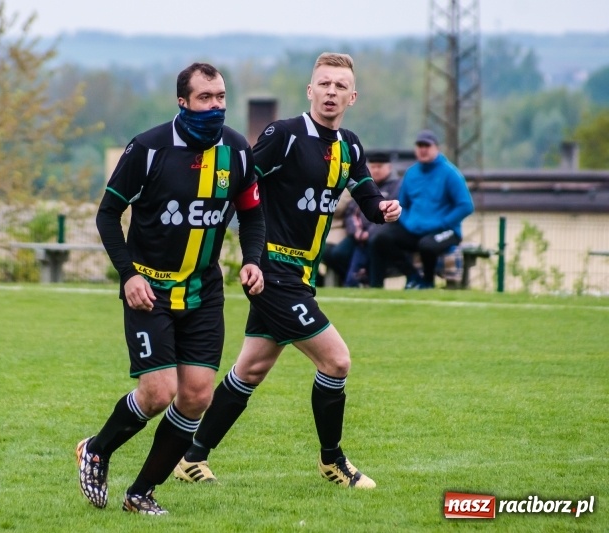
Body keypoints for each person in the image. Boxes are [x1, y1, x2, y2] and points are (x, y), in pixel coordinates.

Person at [174, 53, 401, 489]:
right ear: (310, 90)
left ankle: (191, 456)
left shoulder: (349, 145)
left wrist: (384, 209)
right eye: (324, 84)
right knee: (337, 361)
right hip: (272, 271)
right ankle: (333, 461)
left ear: (352, 97)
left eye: (340, 86)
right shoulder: (285, 135)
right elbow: (241, 182)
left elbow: (368, 197)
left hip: (300, 277)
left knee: (250, 371)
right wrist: (240, 248)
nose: (331, 92)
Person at [76, 62, 265, 515]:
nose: (215, 106)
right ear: (183, 101)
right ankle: (97, 450)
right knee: (158, 393)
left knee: (197, 396)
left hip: (203, 292)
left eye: (221, 97)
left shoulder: (238, 151)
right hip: (150, 291)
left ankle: (141, 493)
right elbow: (107, 215)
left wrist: (253, 259)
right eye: (205, 98)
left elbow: (252, 214)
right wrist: (128, 275)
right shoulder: (148, 148)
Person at [370, 129, 474, 289]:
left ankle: (428, 283)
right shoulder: (411, 173)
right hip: (415, 230)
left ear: (436, 148)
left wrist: (444, 223)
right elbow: (402, 204)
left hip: (445, 230)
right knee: (380, 238)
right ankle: (405, 279)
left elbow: (465, 205)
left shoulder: (450, 173)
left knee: (427, 246)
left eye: (427, 145)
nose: (423, 149)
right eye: (419, 145)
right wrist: (407, 222)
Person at [323, 151, 401, 286]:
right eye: (373, 166)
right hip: (358, 235)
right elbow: (351, 212)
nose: (376, 170)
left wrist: (369, 232)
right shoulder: (365, 185)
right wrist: (356, 231)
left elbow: (392, 214)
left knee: (375, 244)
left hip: (378, 234)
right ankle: (356, 280)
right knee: (337, 254)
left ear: (389, 168)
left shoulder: (395, 186)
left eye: (379, 166)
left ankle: (373, 284)